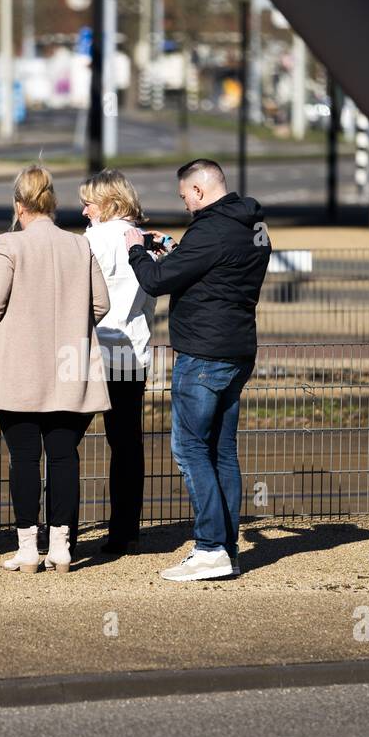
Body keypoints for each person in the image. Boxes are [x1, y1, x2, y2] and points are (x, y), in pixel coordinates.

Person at [126, 159, 268, 581]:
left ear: (200, 190)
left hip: (203, 355)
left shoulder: (209, 230)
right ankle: (227, 549)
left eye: (185, 195)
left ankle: (209, 548)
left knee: (190, 450)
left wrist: (137, 248)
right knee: (222, 451)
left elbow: (155, 281)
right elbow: (213, 270)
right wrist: (172, 247)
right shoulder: (253, 226)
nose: (185, 203)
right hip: (238, 349)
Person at [0, 166, 111, 573]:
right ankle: (62, 547)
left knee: (23, 458)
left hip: (19, 365)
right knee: (63, 457)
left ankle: (27, 549)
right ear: (51, 203)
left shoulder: (9, 243)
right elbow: (101, 304)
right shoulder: (78, 245)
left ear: (19, 206)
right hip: (70, 366)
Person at [79, 170, 156, 555]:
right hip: (132, 350)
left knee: (65, 441)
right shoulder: (144, 240)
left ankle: (63, 529)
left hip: (91, 350)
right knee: (126, 445)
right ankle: (125, 530)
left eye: (89, 202)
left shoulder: (93, 239)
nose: (84, 210)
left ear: (108, 202)